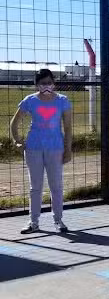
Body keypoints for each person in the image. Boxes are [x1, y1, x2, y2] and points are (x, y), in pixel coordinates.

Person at [10, 68, 73, 234]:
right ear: (37, 85)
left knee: (56, 186)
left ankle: (58, 220)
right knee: (35, 187)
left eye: (49, 82)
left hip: (55, 148)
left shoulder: (63, 101)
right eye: (43, 83)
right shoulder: (30, 101)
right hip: (34, 148)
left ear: (54, 84)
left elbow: (67, 127)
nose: (46, 86)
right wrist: (17, 141)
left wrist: (68, 150)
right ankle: (33, 222)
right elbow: (14, 123)